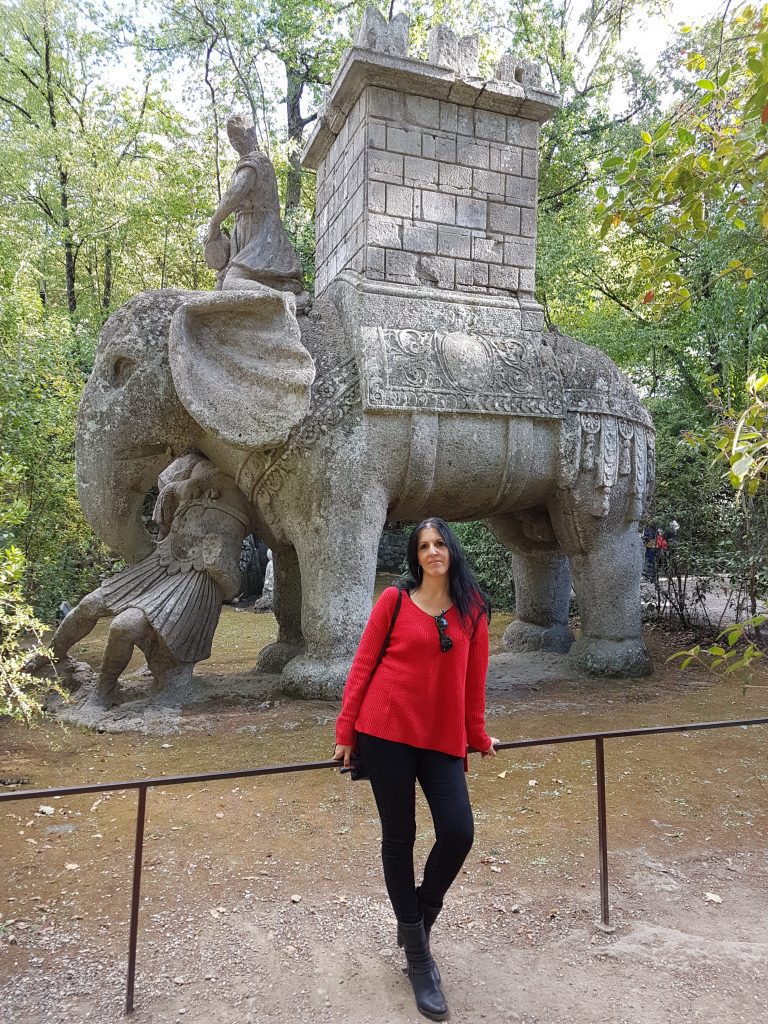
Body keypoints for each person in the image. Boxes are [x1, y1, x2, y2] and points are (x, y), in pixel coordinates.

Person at [333, 517, 499, 1021]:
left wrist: (477, 735)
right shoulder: (394, 601)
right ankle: (419, 957)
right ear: (416, 556)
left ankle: (418, 922)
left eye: (439, 543)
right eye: (424, 546)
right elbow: (363, 664)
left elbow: (474, 682)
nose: (432, 552)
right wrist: (346, 732)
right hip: (385, 731)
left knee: (458, 831)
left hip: (441, 737)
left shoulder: (473, 612)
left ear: (452, 551)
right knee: (399, 836)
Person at [204, 115, 309, 308]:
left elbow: (236, 192)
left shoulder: (257, 161)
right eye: (231, 136)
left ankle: (285, 300)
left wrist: (215, 222)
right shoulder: (246, 163)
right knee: (220, 285)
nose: (235, 140)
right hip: (246, 235)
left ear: (251, 134)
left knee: (231, 283)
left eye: (238, 134)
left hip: (263, 235)